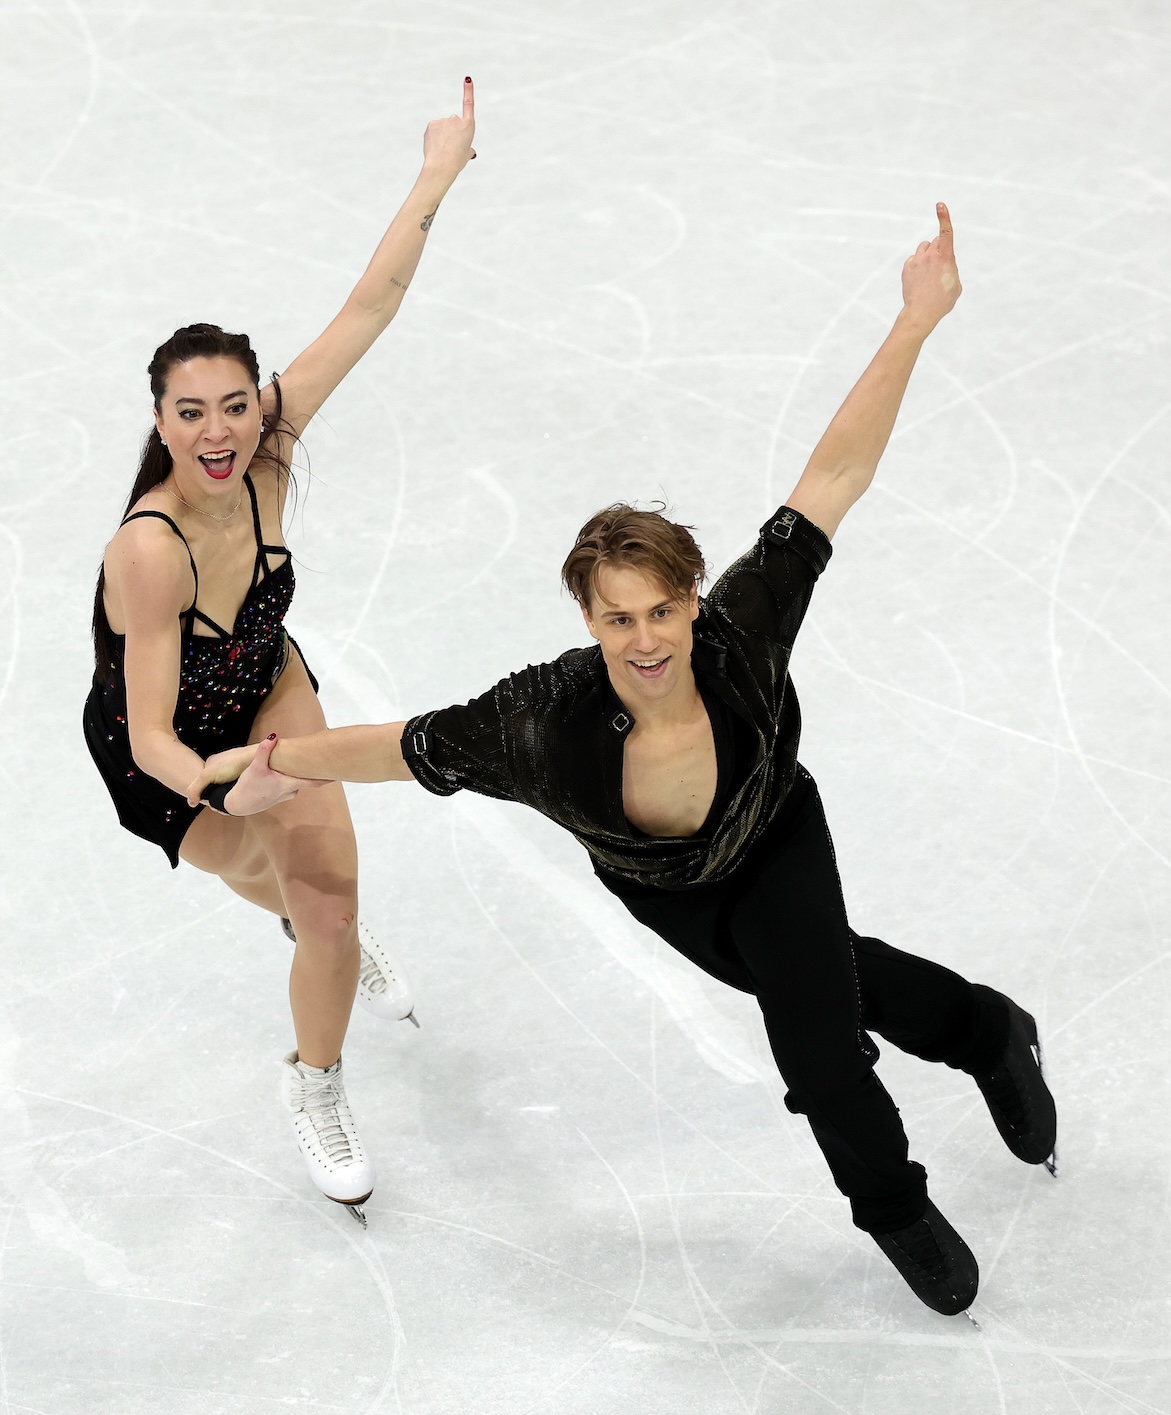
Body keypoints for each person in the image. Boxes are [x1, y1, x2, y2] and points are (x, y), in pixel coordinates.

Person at [188, 204, 1058, 1312]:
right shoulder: (539, 724)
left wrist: (914, 322)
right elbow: (404, 744)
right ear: (589, 622)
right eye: (617, 621)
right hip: (670, 893)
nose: (645, 640)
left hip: (777, 839)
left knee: (819, 1049)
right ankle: (989, 1027)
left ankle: (893, 1205)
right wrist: (279, 759)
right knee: (834, 976)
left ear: (693, 599)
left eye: (661, 611)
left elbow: (834, 474)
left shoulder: (741, 634)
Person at [84, 80, 479, 1226]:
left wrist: (436, 173)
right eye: (189, 411)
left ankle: (315, 1081)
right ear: (160, 421)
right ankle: (321, 939)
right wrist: (227, 781)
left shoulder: (268, 453)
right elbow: (154, 734)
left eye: (232, 404)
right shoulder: (145, 552)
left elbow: (370, 305)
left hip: (270, 684)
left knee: (329, 908)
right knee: (277, 887)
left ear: (257, 404)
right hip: (172, 754)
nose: (218, 430)